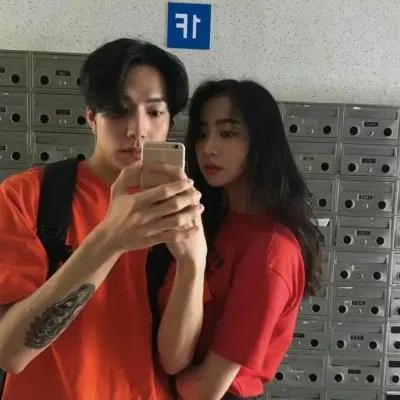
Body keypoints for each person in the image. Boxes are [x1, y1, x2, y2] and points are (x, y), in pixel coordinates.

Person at [0, 38, 207, 400]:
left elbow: (174, 361)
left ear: (170, 122)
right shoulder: (27, 196)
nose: (137, 129)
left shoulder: (178, 209)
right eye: (118, 110)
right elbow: (10, 353)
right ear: (91, 118)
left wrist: (194, 261)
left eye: (154, 112)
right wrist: (110, 238)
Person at [173, 79, 323, 400]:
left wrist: (158, 377)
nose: (208, 147)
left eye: (228, 133)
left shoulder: (271, 250)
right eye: (202, 134)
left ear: (260, 142)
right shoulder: (219, 220)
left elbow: (207, 389)